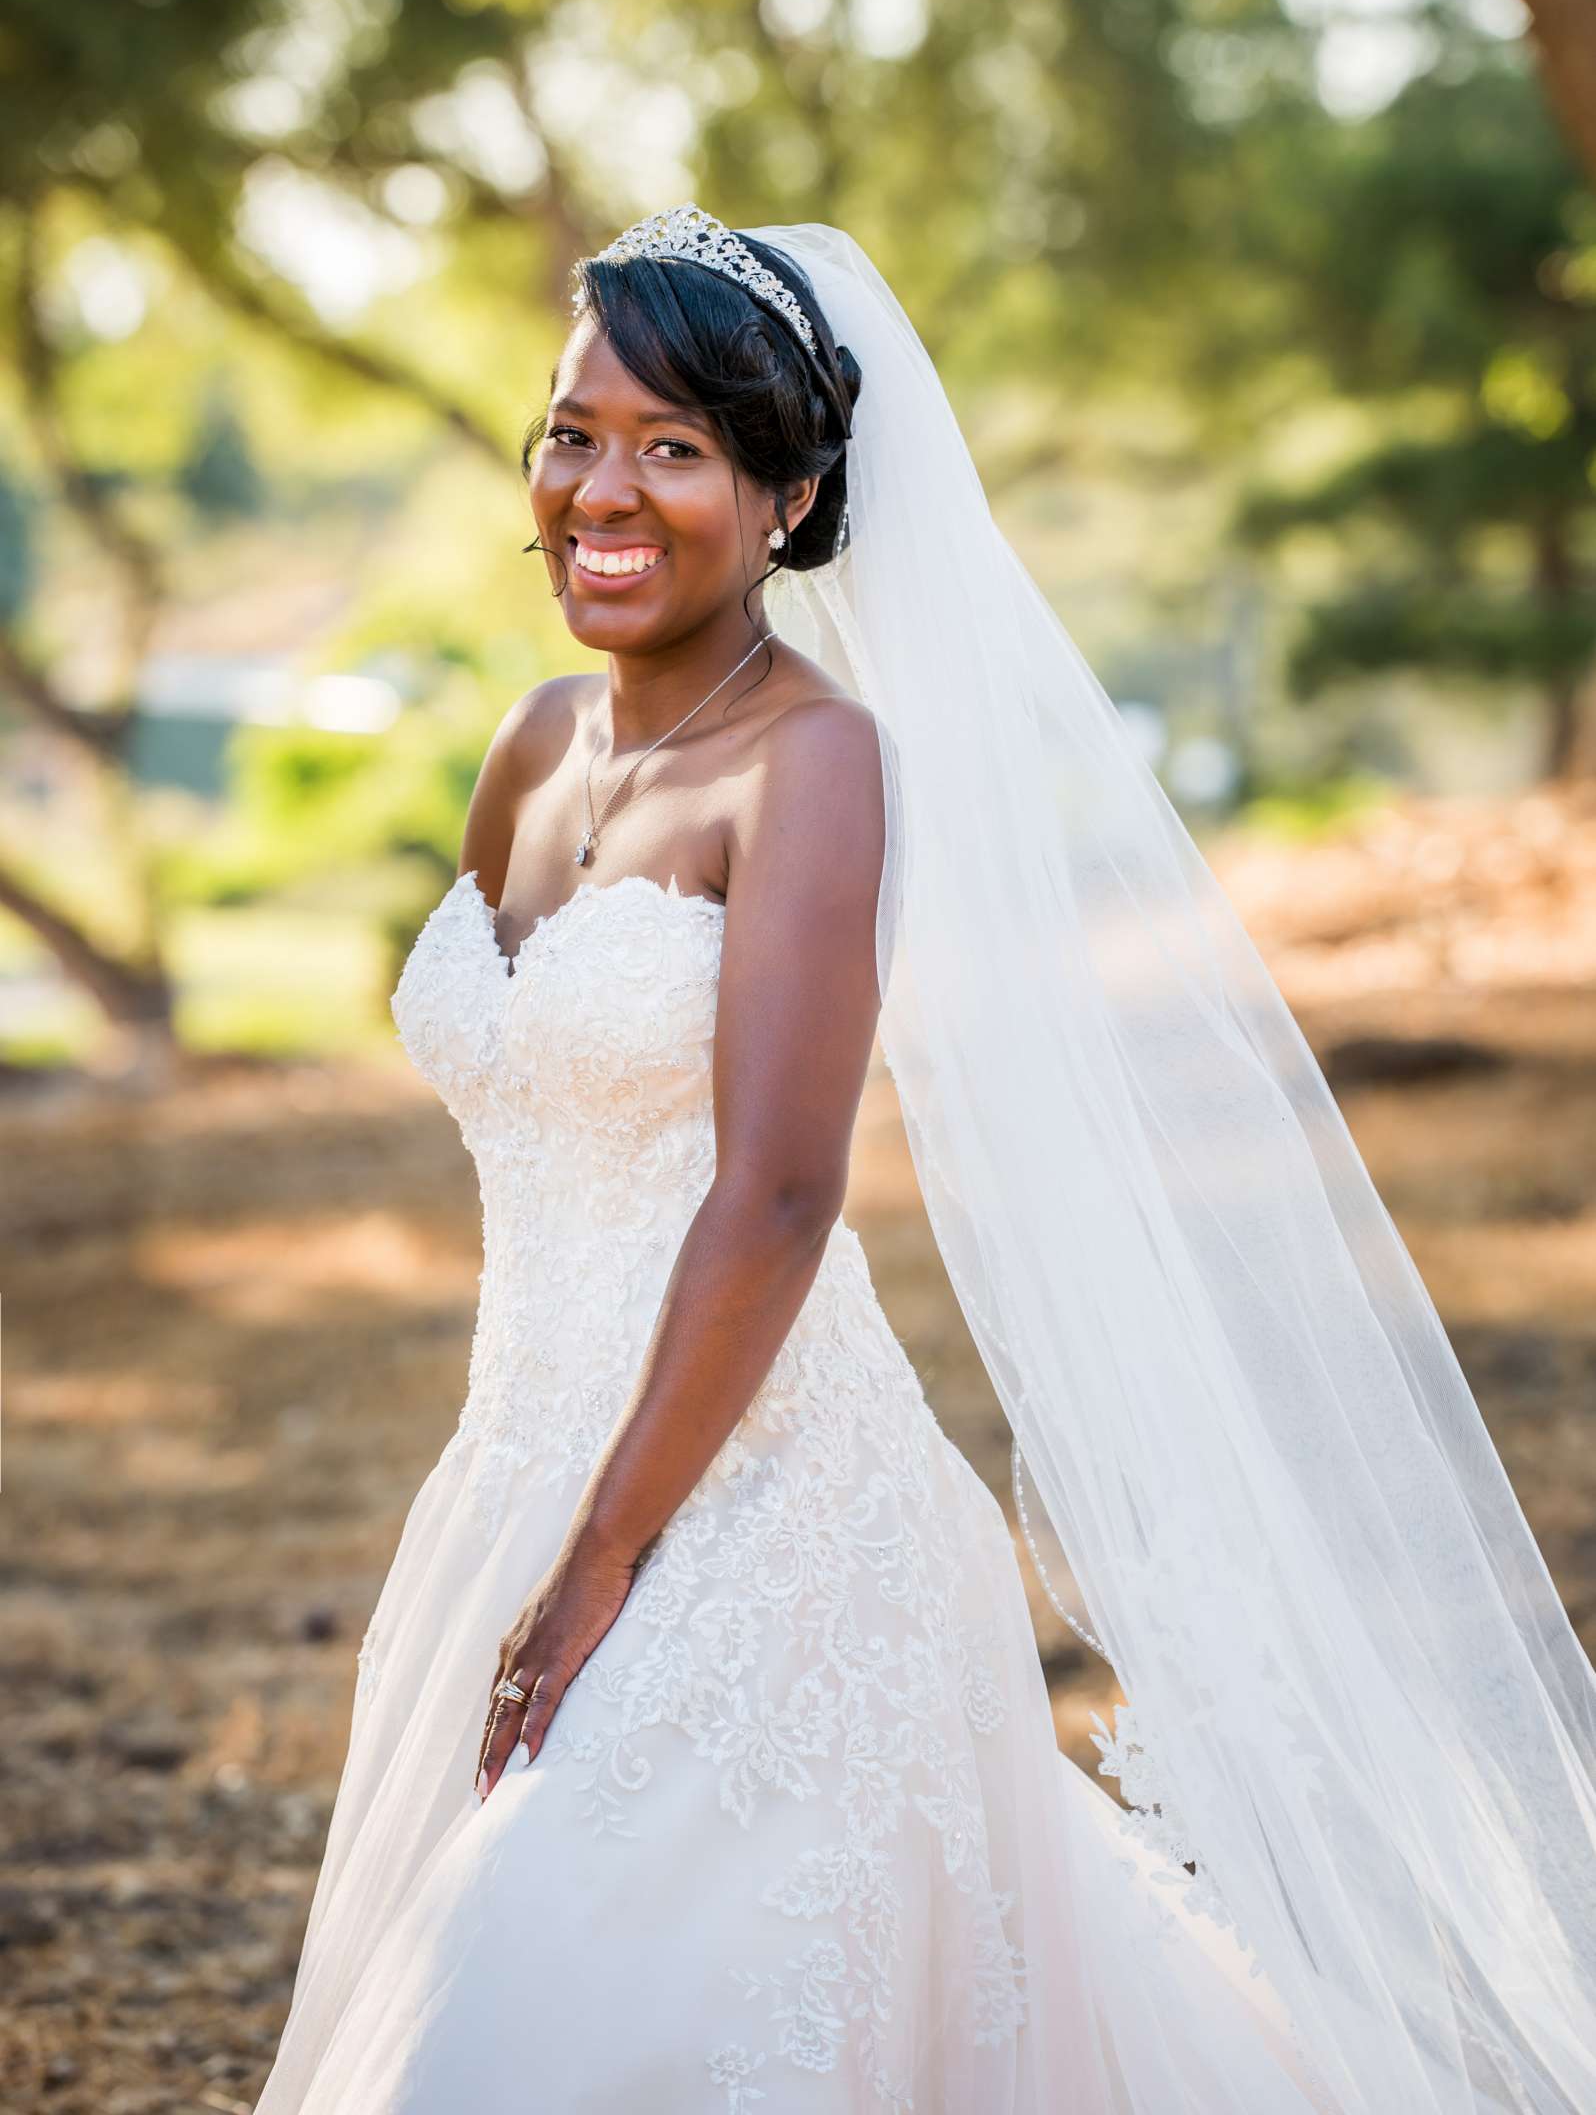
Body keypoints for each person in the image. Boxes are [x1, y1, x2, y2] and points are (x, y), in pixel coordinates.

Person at [252, 212, 1596, 2114]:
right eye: (571, 433)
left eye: (675, 449)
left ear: (791, 499)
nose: (598, 491)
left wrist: (604, 1562)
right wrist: (539, 1527)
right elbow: (532, 1075)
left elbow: (781, 1192)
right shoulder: (531, 745)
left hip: (751, 1503)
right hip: (517, 1452)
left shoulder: (815, 763)